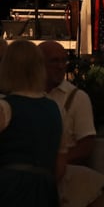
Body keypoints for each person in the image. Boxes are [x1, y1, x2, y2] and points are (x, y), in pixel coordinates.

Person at [40, 40, 104, 207]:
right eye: (54, 61)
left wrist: (57, 163)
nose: (60, 66)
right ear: (39, 64)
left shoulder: (77, 98)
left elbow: (86, 145)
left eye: (64, 61)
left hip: (64, 175)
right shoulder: (28, 94)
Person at [0, 39, 68, 207]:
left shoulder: (5, 107)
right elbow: (60, 164)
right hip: (44, 190)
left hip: (8, 189)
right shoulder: (56, 108)